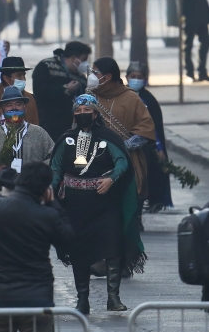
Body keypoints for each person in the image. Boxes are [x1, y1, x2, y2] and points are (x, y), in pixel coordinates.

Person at [51, 94, 147, 314]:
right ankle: (82, 298)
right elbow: (56, 168)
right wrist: (51, 189)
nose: (83, 114)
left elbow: (122, 161)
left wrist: (111, 178)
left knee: (112, 248)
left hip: (105, 204)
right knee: (78, 251)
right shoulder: (66, 138)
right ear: (74, 114)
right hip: (75, 206)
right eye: (78, 110)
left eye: (87, 110)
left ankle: (113, 297)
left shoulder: (108, 137)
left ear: (95, 113)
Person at [0, 162, 73, 332]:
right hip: (36, 298)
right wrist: (53, 203)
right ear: (45, 189)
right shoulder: (47, 215)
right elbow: (67, 239)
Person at [86, 57, 156, 214]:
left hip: (127, 159)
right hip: (95, 161)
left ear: (108, 77)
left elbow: (146, 128)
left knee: (126, 206)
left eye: (95, 72)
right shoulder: (90, 97)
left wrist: (121, 147)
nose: (91, 76)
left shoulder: (131, 98)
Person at [0, 86, 53, 188]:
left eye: (18, 104)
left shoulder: (39, 133)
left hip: (33, 191)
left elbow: (54, 159)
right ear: (2, 110)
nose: (14, 108)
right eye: (9, 105)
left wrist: (37, 170)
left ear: (24, 108)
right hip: (2, 193)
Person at [125, 62, 173, 213]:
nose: (136, 80)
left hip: (144, 148)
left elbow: (155, 127)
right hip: (123, 146)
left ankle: (138, 215)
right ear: (127, 77)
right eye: (133, 77)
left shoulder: (149, 100)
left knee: (142, 180)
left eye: (140, 77)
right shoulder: (121, 96)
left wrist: (159, 149)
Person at [32, 41, 91, 141]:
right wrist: (65, 89)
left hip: (72, 127)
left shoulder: (81, 77)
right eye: (83, 60)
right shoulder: (46, 66)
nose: (85, 64)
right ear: (73, 58)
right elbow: (39, 91)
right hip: (49, 125)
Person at [178, 0, 209, 82]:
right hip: (189, 15)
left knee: (205, 42)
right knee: (188, 44)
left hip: (201, 14)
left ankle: (202, 71)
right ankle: (189, 72)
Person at [0, 56, 38, 127]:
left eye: (24, 75)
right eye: (19, 75)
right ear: (6, 78)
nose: (23, 79)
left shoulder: (33, 99)